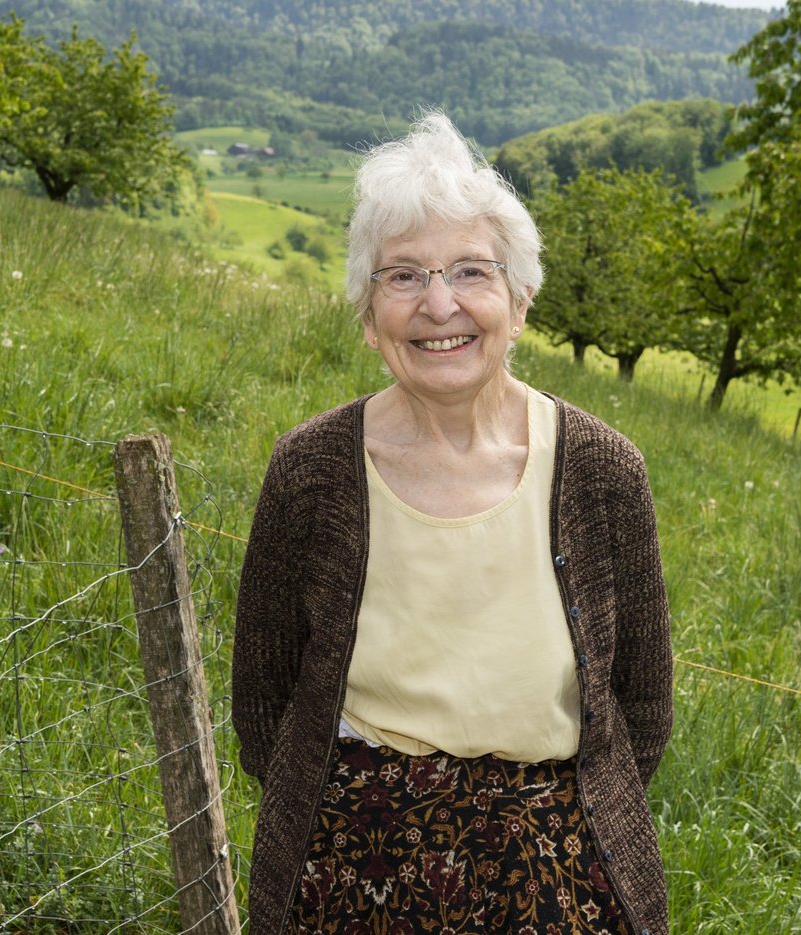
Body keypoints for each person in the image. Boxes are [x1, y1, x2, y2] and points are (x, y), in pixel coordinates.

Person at [232, 111, 673, 935]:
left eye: (471, 270)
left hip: (556, 874)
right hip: (349, 872)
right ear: (369, 314)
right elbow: (264, 702)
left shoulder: (606, 472)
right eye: (403, 276)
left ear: (521, 298)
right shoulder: (310, 470)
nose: (439, 304)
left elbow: (641, 708)